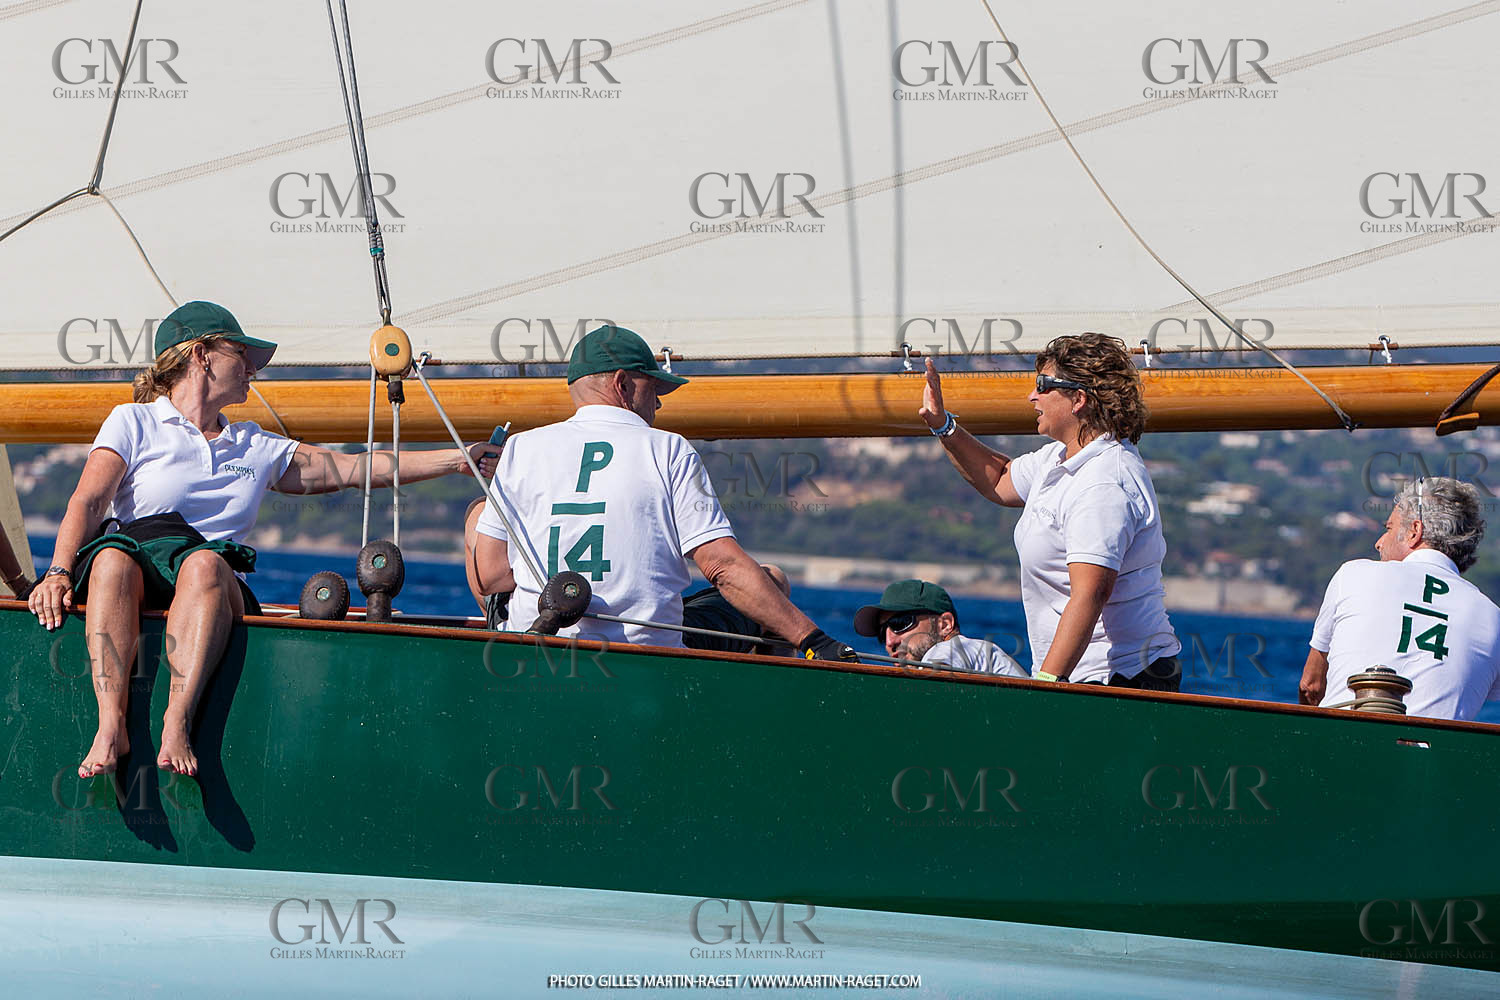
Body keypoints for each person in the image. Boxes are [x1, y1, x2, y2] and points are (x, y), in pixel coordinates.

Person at [29, 301, 500, 779]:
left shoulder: (254, 445)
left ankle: (177, 720)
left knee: (204, 564)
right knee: (111, 558)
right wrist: (58, 572)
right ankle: (111, 725)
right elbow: (89, 501)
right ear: (201, 356)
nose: (253, 369)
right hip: (138, 567)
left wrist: (459, 459)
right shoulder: (133, 421)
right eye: (241, 354)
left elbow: (356, 468)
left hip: (212, 581)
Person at [465, 324, 857, 661]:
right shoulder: (668, 449)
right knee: (773, 579)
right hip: (649, 656)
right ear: (622, 384)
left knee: (476, 515)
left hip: (540, 644)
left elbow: (491, 577)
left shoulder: (520, 448)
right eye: (653, 388)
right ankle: (766, 706)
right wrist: (814, 640)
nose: (658, 402)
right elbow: (723, 567)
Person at [921, 333, 1180, 688]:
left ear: (1079, 399)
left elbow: (1090, 594)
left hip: (1120, 679)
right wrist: (943, 425)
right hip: (1080, 676)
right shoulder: (1059, 459)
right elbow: (1000, 478)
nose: (1032, 396)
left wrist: (1046, 684)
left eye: (1043, 385)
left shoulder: (1104, 483)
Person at [1300, 477, 1500, 720]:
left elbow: (1311, 686)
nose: (1379, 543)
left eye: (1388, 529)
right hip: (1434, 745)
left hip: (1343, 738)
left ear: (1414, 532)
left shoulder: (1353, 574)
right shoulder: (1493, 617)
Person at [853, 579, 1026, 677]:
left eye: (900, 624)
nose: (889, 642)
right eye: (882, 633)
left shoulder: (951, 648)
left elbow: (923, 691)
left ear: (945, 625)